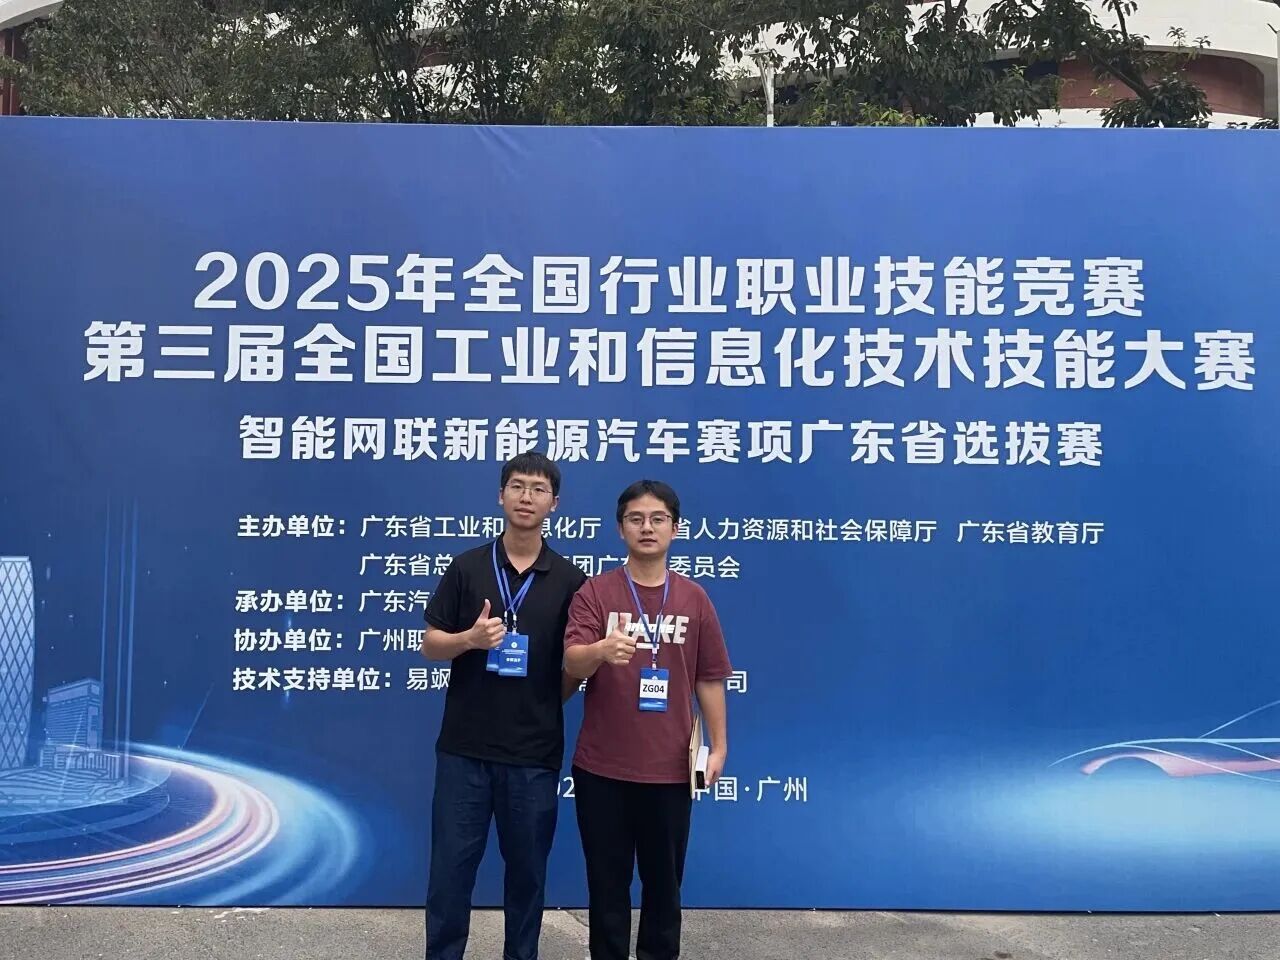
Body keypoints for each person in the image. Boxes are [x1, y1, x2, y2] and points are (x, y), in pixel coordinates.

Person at [420, 451, 587, 960]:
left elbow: (573, 668)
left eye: (538, 489)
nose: (526, 497)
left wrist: (540, 703)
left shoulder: (570, 580)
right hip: (464, 751)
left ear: (554, 503)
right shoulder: (468, 567)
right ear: (500, 495)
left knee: (527, 878)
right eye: (517, 486)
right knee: (450, 876)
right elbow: (431, 645)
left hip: (533, 756)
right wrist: (469, 640)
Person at [564, 479, 732, 960]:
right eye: (635, 519)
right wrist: (600, 650)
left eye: (658, 519)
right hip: (602, 769)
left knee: (664, 887)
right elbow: (572, 662)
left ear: (675, 529)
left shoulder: (694, 599)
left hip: (670, 771)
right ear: (620, 529)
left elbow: (709, 677)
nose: (647, 527)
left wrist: (719, 747)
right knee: (606, 885)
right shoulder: (596, 592)